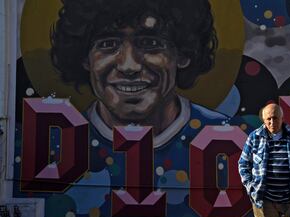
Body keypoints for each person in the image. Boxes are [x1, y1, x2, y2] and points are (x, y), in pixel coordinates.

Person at [50, 0, 224, 147]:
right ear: (84, 58)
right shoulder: (57, 146)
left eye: (150, 42)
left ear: (183, 54)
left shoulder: (228, 137)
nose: (129, 66)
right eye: (108, 44)